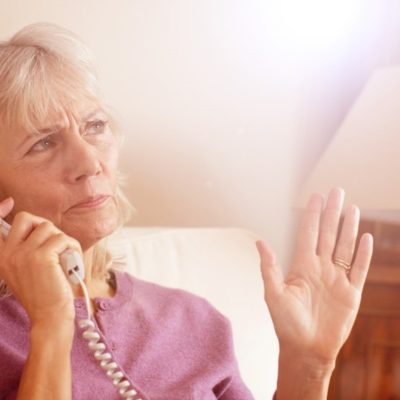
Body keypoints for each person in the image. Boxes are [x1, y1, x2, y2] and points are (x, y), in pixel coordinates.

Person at [0, 23, 373, 400]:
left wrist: (309, 365)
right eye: (43, 143)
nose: (89, 161)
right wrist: (51, 325)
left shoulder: (193, 320)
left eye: (94, 126)